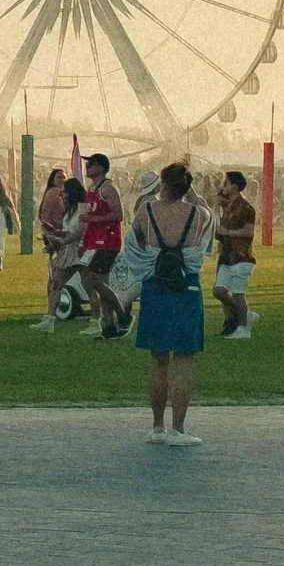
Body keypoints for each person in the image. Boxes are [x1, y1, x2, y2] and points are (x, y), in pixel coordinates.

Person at [128, 163, 211, 445]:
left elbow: (136, 238)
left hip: (155, 286)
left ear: (162, 184)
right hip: (186, 287)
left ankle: (157, 426)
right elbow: (205, 235)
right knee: (184, 359)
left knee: (158, 359)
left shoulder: (146, 211)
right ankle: (179, 427)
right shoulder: (198, 214)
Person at [80, 154, 128, 337]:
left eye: (91, 164)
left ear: (101, 167)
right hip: (93, 240)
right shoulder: (89, 189)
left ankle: (122, 315)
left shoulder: (108, 188)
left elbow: (119, 215)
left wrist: (94, 219)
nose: (87, 167)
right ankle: (109, 326)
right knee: (102, 284)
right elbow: (83, 217)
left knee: (94, 280)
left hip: (108, 240)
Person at [33, 179, 88, 332]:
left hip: (82, 250)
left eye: (64, 192)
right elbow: (68, 231)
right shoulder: (68, 210)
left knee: (91, 287)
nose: (62, 195)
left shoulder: (84, 207)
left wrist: (64, 240)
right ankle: (49, 320)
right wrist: (56, 237)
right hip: (68, 251)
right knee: (56, 284)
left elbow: (82, 230)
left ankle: (99, 320)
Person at [212, 170, 259, 340]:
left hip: (241, 256)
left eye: (225, 183)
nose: (222, 186)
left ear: (234, 186)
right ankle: (243, 314)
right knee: (219, 291)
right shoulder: (227, 207)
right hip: (226, 256)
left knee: (238, 293)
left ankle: (243, 327)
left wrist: (226, 232)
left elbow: (248, 232)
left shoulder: (246, 208)